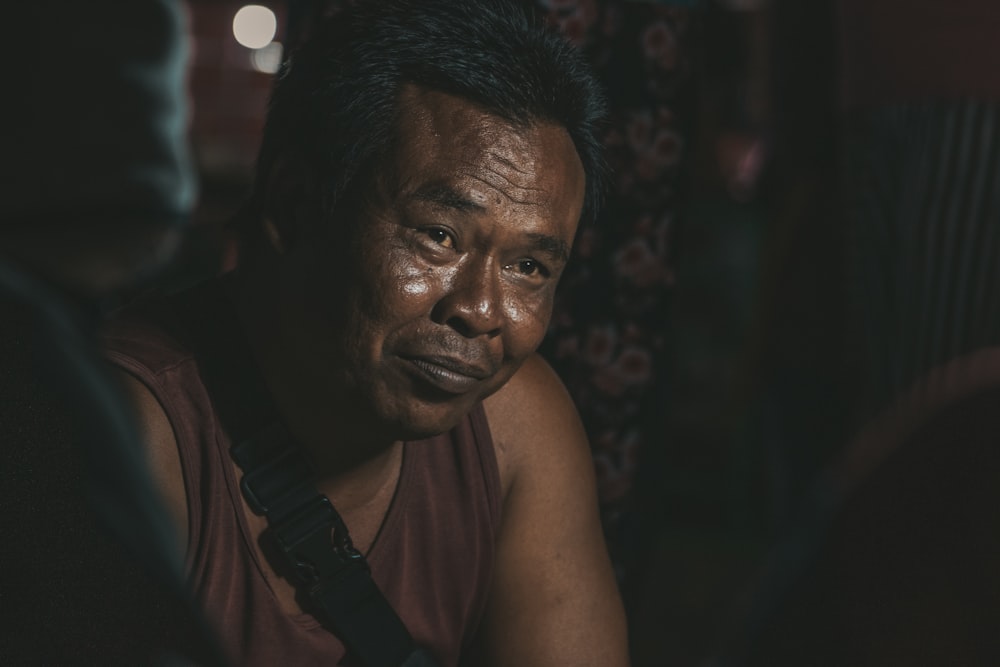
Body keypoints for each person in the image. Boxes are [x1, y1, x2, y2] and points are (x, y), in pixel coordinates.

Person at [103, 1, 629, 665]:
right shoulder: (125, 435)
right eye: (438, 236)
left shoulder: (514, 431)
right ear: (297, 205)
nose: (482, 310)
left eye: (527, 266)